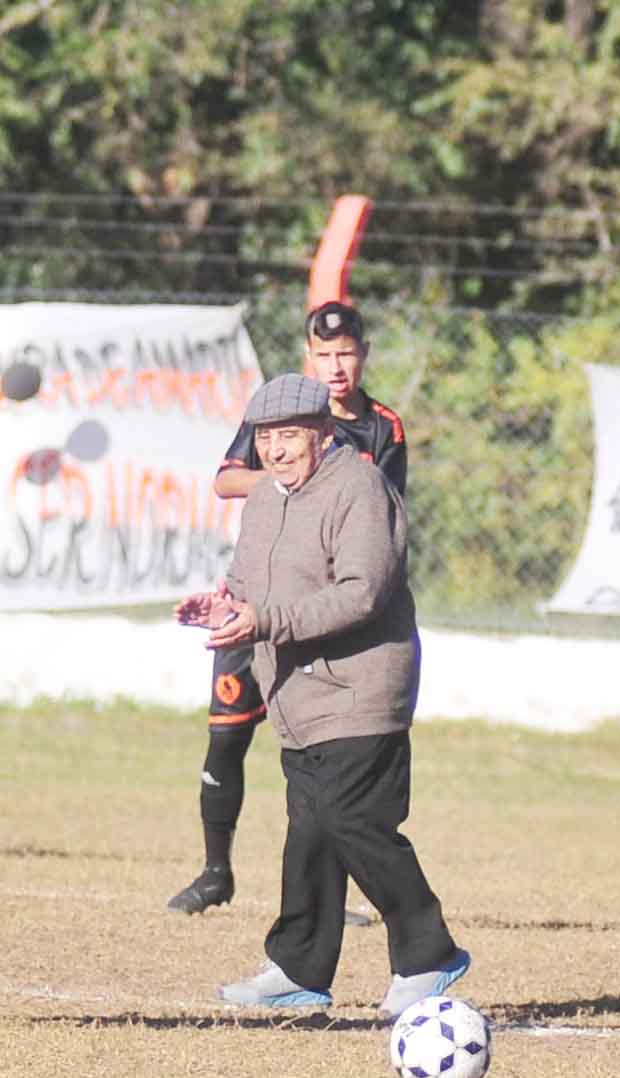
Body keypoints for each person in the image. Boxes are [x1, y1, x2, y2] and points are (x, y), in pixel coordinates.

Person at [175, 373, 468, 1017]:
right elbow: (248, 585)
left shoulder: (359, 486)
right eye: (266, 439)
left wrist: (265, 621)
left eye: (289, 436)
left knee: (351, 821)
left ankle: (429, 952)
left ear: (322, 432)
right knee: (309, 831)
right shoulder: (264, 500)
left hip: (361, 688)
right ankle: (297, 968)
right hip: (295, 697)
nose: (276, 451)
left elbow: (362, 592)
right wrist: (222, 603)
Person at [168, 301, 409, 915]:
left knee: (326, 757)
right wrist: (288, 477)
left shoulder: (383, 428)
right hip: (249, 604)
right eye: (323, 355)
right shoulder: (284, 417)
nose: (335, 366)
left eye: (346, 353)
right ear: (308, 357)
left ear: (363, 355)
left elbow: (374, 514)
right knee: (226, 739)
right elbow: (225, 479)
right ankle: (215, 870)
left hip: (318, 614)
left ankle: (340, 888)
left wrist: (315, 482)